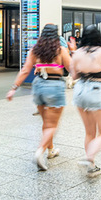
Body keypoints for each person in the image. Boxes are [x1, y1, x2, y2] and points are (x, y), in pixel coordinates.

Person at [7, 23, 71, 171]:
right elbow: (72, 68)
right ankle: (40, 151)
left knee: (46, 122)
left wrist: (13, 89)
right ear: (56, 35)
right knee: (52, 125)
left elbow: (25, 71)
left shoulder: (35, 51)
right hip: (54, 87)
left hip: (38, 86)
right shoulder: (60, 50)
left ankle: (51, 150)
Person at [70, 25, 101, 175]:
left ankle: (91, 165)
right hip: (96, 90)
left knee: (89, 132)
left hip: (80, 90)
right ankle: (89, 158)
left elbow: (74, 75)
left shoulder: (77, 53)